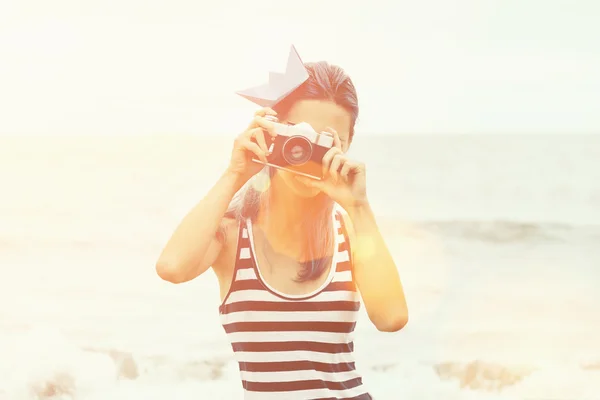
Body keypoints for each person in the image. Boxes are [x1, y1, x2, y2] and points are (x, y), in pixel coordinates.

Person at [156, 60, 408, 399]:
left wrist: (358, 206)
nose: (307, 152)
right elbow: (173, 268)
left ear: (346, 147)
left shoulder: (348, 228)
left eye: (328, 141)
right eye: (300, 134)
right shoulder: (232, 232)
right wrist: (236, 173)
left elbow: (391, 317)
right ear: (274, 129)